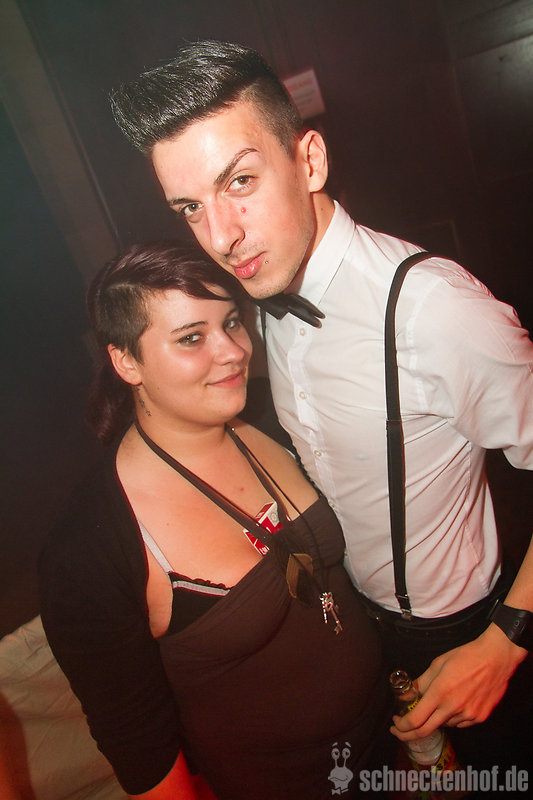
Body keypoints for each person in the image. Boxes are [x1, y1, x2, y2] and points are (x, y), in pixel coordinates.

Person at [109, 40, 533, 778]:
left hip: (468, 632)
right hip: (357, 633)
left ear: (309, 160)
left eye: (240, 181)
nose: (221, 236)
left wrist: (505, 644)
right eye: (191, 208)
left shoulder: (434, 311)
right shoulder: (250, 302)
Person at [38, 242, 392, 800]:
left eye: (231, 322)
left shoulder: (274, 417)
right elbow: (140, 746)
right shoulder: (89, 552)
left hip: (395, 734)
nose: (233, 351)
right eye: (191, 338)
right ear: (126, 361)